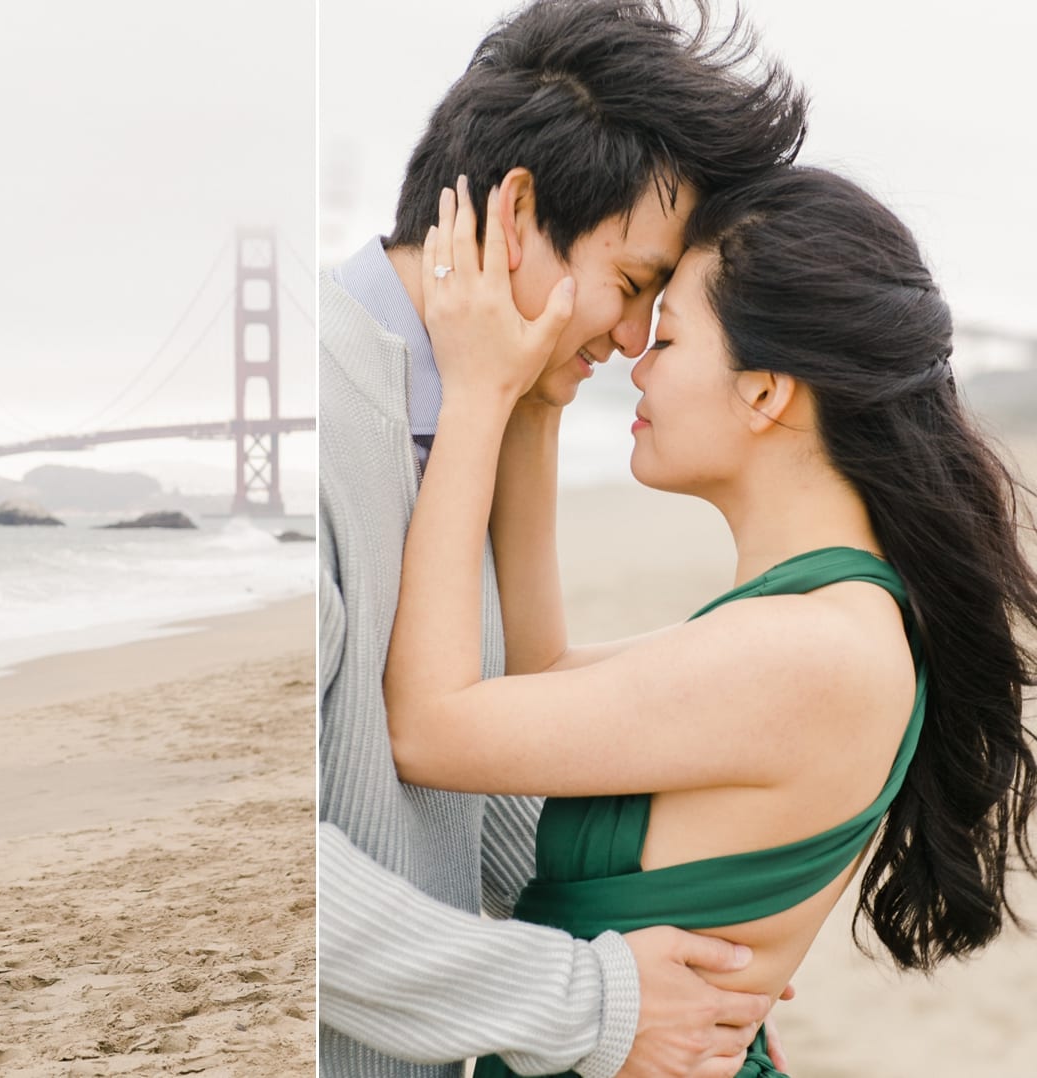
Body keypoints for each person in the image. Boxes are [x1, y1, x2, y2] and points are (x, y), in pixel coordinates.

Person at [383, 168, 1037, 1078]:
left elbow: (430, 726)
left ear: (765, 392)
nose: (637, 360)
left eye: (670, 337)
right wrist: (538, 402)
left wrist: (475, 398)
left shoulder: (813, 650)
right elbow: (536, 680)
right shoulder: (814, 615)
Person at [319, 2, 809, 1075]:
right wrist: (594, 1000)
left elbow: (463, 810)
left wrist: (680, 912)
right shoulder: (313, 409)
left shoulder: (466, 420)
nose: (635, 338)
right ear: (518, 210)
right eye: (632, 284)